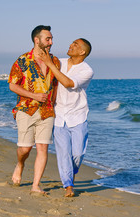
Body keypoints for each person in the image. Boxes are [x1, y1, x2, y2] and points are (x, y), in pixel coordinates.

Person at [8, 25, 60, 194]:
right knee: (25, 149)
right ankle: (20, 164)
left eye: (51, 39)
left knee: (43, 148)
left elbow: (56, 85)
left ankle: (35, 185)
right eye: (48, 39)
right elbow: (12, 85)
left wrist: (54, 103)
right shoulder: (22, 60)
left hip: (47, 111)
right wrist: (34, 96)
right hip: (26, 109)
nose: (51, 42)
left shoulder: (55, 61)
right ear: (37, 40)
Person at [38, 38, 94, 197]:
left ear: (82, 52)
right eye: (71, 43)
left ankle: (70, 172)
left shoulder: (87, 70)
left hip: (78, 116)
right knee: (63, 154)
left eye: (75, 45)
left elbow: (68, 83)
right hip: (58, 116)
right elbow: (43, 58)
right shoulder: (58, 62)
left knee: (77, 154)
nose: (71, 45)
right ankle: (68, 185)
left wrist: (50, 65)